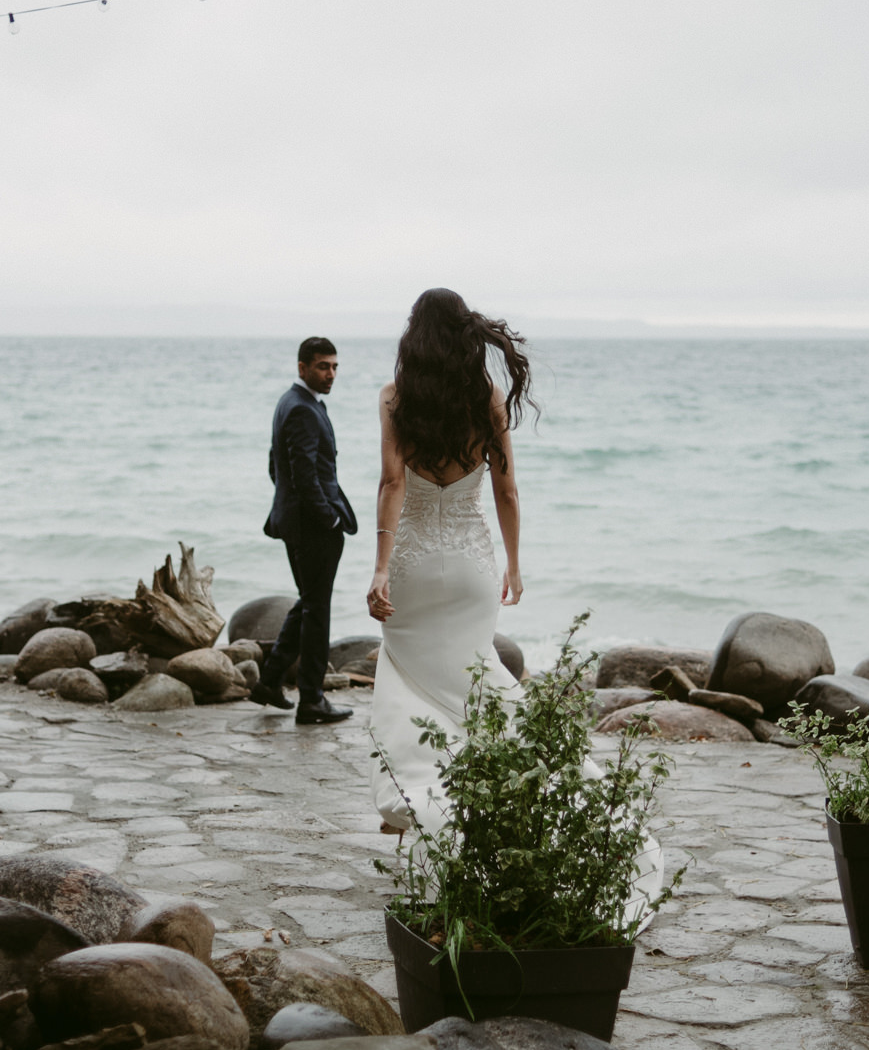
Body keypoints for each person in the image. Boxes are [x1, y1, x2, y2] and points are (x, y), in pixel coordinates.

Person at [365, 289, 664, 923]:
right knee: (477, 683)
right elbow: (505, 487)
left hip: (415, 564)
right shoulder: (486, 399)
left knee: (416, 685)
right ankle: (506, 800)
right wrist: (515, 563)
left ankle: (424, 808)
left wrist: (381, 568)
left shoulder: (395, 398)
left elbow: (393, 483)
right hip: (473, 566)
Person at [252, 336, 355, 725]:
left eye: (334, 367)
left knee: (309, 602)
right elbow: (301, 473)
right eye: (322, 366)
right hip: (314, 527)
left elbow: (275, 466)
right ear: (302, 367)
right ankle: (311, 700)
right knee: (318, 610)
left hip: (298, 523)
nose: (330, 374)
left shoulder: (291, 403)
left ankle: (269, 680)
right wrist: (327, 516)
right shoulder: (302, 409)